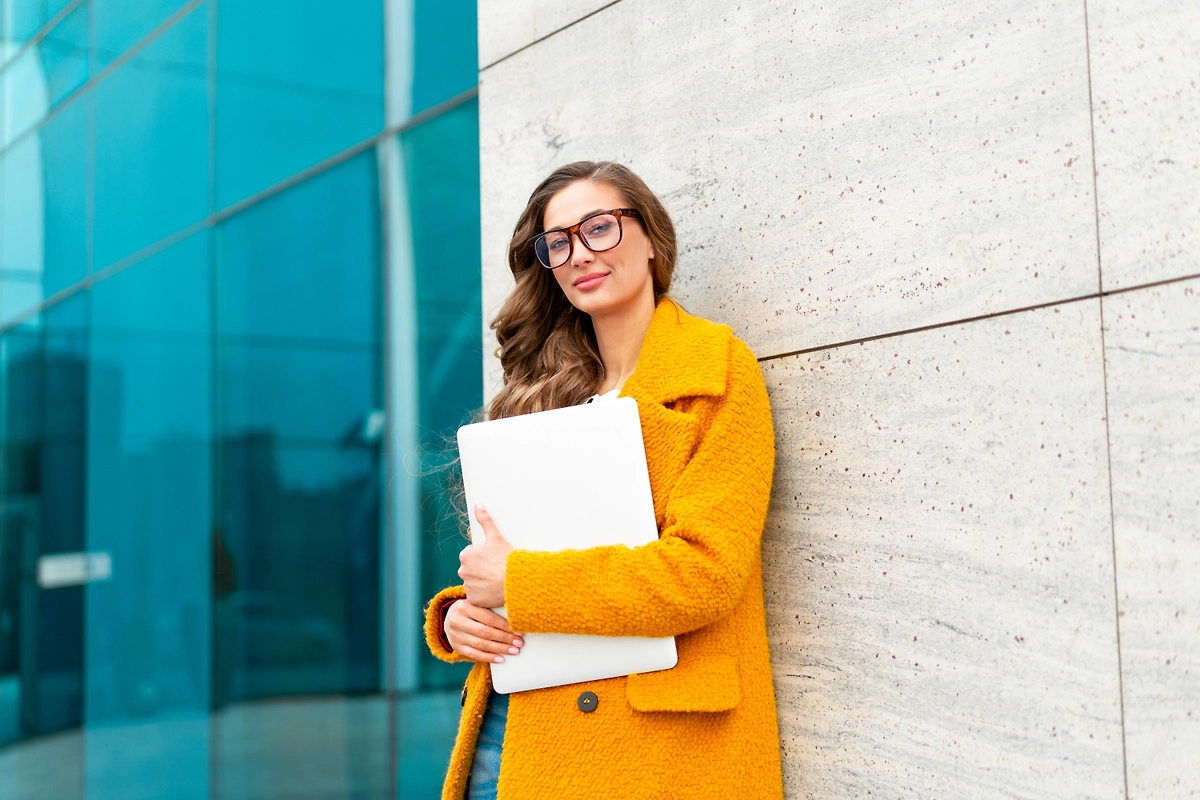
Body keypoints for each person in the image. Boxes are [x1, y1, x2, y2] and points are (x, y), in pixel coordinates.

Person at [422, 161, 783, 800]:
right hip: (516, 730)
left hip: (649, 747)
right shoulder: (541, 397)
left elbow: (705, 572)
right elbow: (512, 555)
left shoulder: (714, 371)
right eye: (557, 242)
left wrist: (518, 580)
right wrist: (461, 618)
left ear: (651, 237)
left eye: (599, 228)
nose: (578, 253)